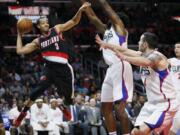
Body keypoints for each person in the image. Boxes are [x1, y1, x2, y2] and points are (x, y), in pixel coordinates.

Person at [15, 2, 91, 127]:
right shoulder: (38, 41)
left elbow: (73, 22)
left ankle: (61, 105)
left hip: (64, 69)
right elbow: (20, 51)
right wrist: (19, 35)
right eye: (43, 23)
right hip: (49, 69)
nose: (46, 24)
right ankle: (22, 114)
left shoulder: (57, 29)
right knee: (35, 93)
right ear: (39, 26)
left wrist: (80, 10)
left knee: (69, 100)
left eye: (47, 22)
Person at [95, 32, 178, 135]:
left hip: (165, 104)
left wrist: (125, 58)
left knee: (142, 131)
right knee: (135, 132)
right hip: (151, 104)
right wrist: (106, 45)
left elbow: (146, 62)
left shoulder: (157, 57)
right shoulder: (142, 55)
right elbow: (124, 50)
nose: (138, 42)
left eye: (140, 40)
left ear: (145, 44)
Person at [80, 0, 134, 134]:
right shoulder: (107, 31)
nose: (111, 18)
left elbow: (108, 10)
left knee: (119, 109)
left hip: (120, 65)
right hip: (110, 69)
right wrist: (84, 3)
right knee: (105, 107)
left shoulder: (121, 29)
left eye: (115, 17)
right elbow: (92, 17)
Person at [168, 42, 180, 135]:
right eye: (175, 47)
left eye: (179, 47)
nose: (176, 49)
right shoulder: (171, 61)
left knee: (177, 123)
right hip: (172, 94)